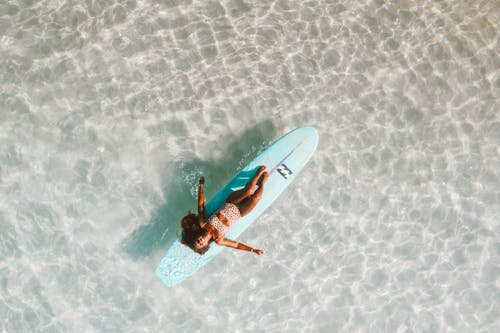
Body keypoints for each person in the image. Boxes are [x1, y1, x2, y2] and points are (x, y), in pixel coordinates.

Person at [179, 166, 269, 255]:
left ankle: (258, 174)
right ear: (206, 245)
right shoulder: (219, 240)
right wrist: (253, 250)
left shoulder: (203, 223)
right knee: (256, 198)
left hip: (231, 203)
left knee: (248, 191)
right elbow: (236, 245)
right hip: (240, 213)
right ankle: (262, 183)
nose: (199, 241)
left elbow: (200, 205)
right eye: (200, 244)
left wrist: (201, 185)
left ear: (197, 237)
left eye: (197, 241)